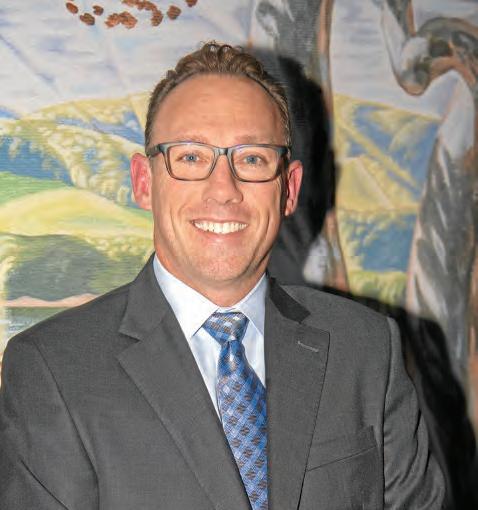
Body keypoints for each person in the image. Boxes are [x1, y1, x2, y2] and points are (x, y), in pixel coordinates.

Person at [0, 41, 444, 509]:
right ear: (144, 182)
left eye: (252, 158)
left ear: (289, 189)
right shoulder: (53, 369)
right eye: (191, 157)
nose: (224, 189)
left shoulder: (366, 348)